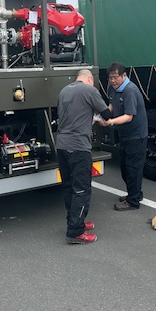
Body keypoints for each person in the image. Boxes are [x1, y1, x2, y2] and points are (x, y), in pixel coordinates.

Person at [56, 69, 112, 244]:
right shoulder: (89, 90)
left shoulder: (64, 91)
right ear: (89, 79)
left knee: (69, 187)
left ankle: (75, 221)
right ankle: (75, 232)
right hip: (78, 146)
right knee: (81, 189)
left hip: (62, 145)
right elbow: (106, 114)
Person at [102, 62, 148, 211]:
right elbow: (112, 105)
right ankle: (135, 194)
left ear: (124, 76)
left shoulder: (130, 91)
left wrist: (111, 122)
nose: (112, 81)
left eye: (115, 77)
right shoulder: (113, 88)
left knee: (133, 169)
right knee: (125, 169)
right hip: (124, 135)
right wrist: (104, 116)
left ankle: (133, 202)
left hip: (136, 136)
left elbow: (129, 116)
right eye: (110, 78)